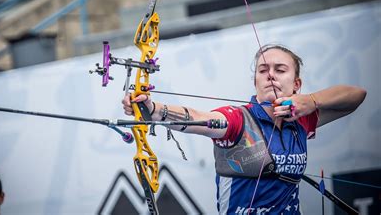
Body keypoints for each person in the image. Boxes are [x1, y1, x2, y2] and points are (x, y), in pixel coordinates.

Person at [122, 44, 366, 214]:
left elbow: (356, 97)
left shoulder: (301, 120)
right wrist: (153, 109)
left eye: (280, 70)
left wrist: (311, 101)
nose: (270, 75)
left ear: (296, 84)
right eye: (263, 70)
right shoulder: (238, 121)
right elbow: (196, 117)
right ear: (255, 81)